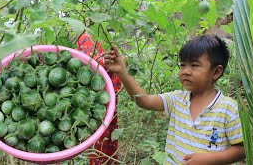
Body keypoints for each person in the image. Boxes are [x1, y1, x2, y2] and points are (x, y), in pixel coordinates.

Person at [103, 34, 245, 164]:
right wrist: (122, 72)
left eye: (194, 65)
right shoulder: (176, 99)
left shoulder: (228, 108)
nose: (186, 71)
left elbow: (241, 150)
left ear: (216, 72)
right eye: (183, 65)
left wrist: (208, 159)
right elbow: (144, 100)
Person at [76, 33, 121, 164]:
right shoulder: (83, 36)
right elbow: (85, 64)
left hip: (108, 95)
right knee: (98, 139)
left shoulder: (101, 35)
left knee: (108, 136)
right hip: (92, 98)